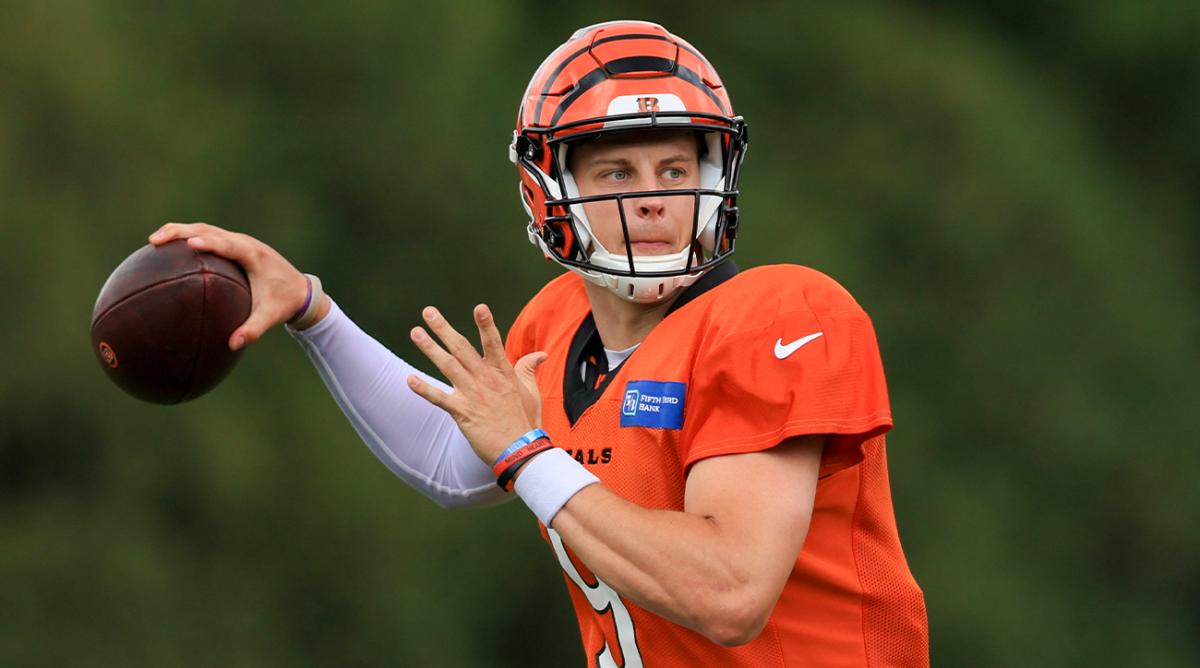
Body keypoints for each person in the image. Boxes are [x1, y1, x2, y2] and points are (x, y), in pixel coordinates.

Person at [150, 20, 928, 667]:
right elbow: (448, 457)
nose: (654, 198)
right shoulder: (558, 326)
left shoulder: (780, 314)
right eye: (618, 172)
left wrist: (528, 454)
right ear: (551, 190)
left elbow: (729, 592)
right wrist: (312, 310)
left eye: (675, 166)